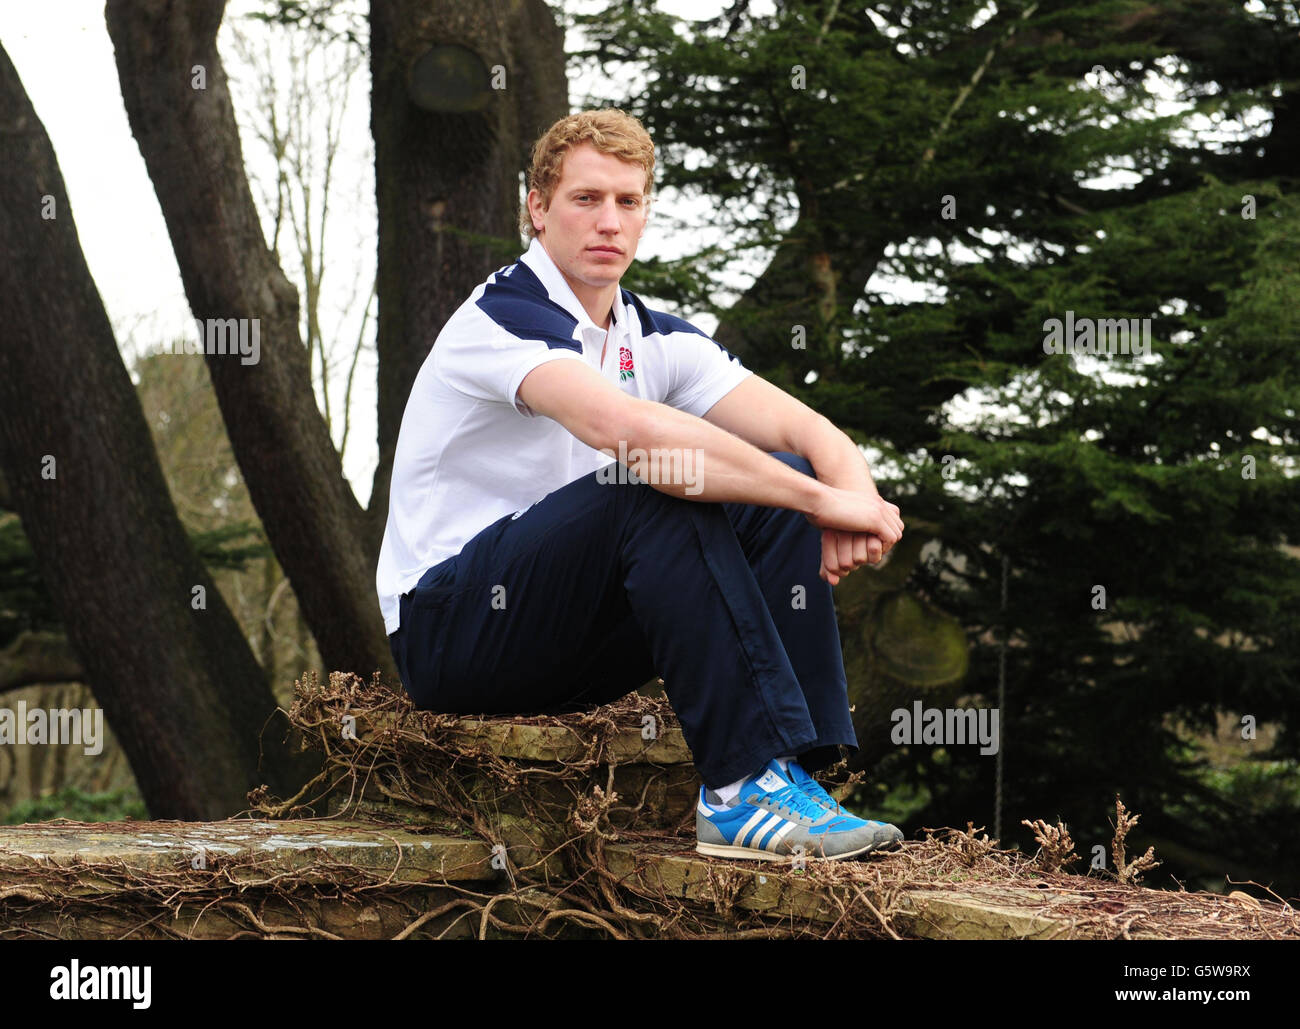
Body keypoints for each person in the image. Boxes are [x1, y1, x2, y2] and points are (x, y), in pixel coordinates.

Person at [376, 108, 905, 861]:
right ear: (537, 208)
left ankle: (792, 775)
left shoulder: (651, 333)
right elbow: (632, 435)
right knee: (651, 482)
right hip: (453, 631)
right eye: (585, 199)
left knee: (775, 485)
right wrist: (826, 504)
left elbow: (809, 434)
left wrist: (846, 490)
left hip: (562, 631)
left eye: (628, 202)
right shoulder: (503, 316)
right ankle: (738, 792)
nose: (609, 222)